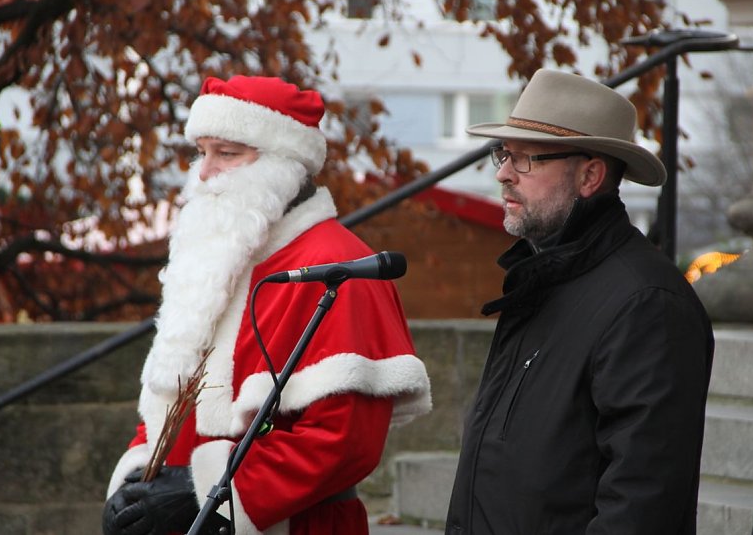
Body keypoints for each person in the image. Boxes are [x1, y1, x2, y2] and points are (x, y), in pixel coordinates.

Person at [102, 75, 431, 535]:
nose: (205, 171)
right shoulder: (216, 259)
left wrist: (210, 498)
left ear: (284, 162)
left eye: (228, 154)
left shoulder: (338, 266)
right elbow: (170, 399)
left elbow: (343, 441)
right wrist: (136, 480)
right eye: (202, 152)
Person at [445, 69, 714, 534]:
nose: (505, 173)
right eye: (504, 154)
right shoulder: (542, 280)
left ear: (590, 175)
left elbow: (641, 503)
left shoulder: (647, 303)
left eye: (527, 159)